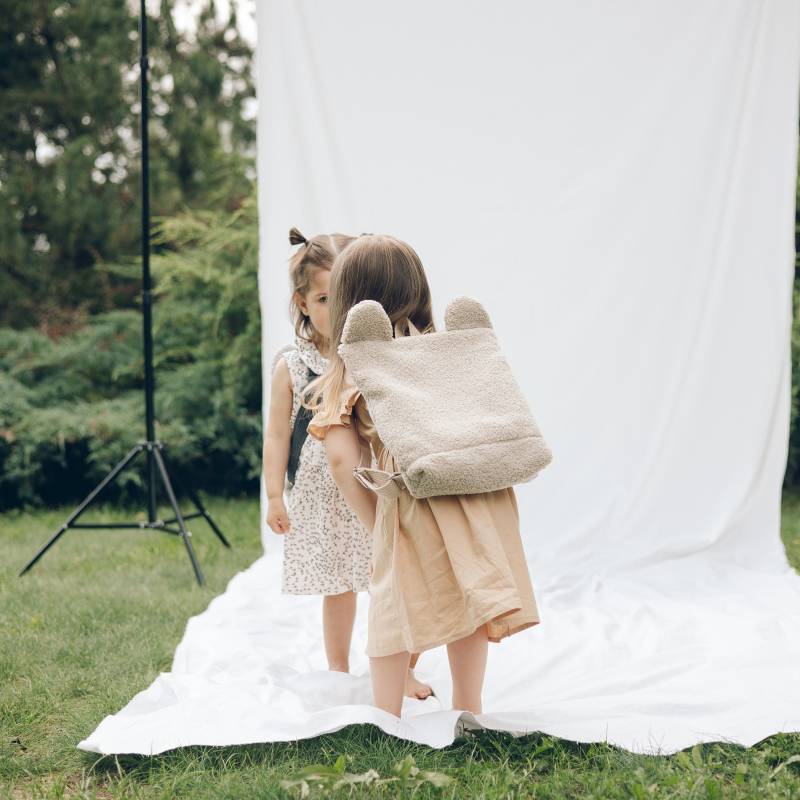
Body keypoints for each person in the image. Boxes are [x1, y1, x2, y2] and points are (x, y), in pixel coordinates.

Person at [306, 234, 540, 716]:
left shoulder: (357, 365)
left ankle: (385, 713)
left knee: (393, 610)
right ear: (419, 289)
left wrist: (377, 525)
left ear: (349, 299)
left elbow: (341, 461)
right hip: (479, 495)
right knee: (471, 597)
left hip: (412, 501)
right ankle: (469, 707)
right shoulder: (450, 351)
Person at [263, 228, 432, 699]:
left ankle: (405, 667)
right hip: (322, 495)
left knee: (393, 582)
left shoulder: (373, 352)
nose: (333, 312)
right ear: (301, 303)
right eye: (322, 299)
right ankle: (337, 668)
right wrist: (275, 494)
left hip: (372, 484)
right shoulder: (292, 365)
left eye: (345, 300)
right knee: (338, 586)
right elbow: (277, 434)